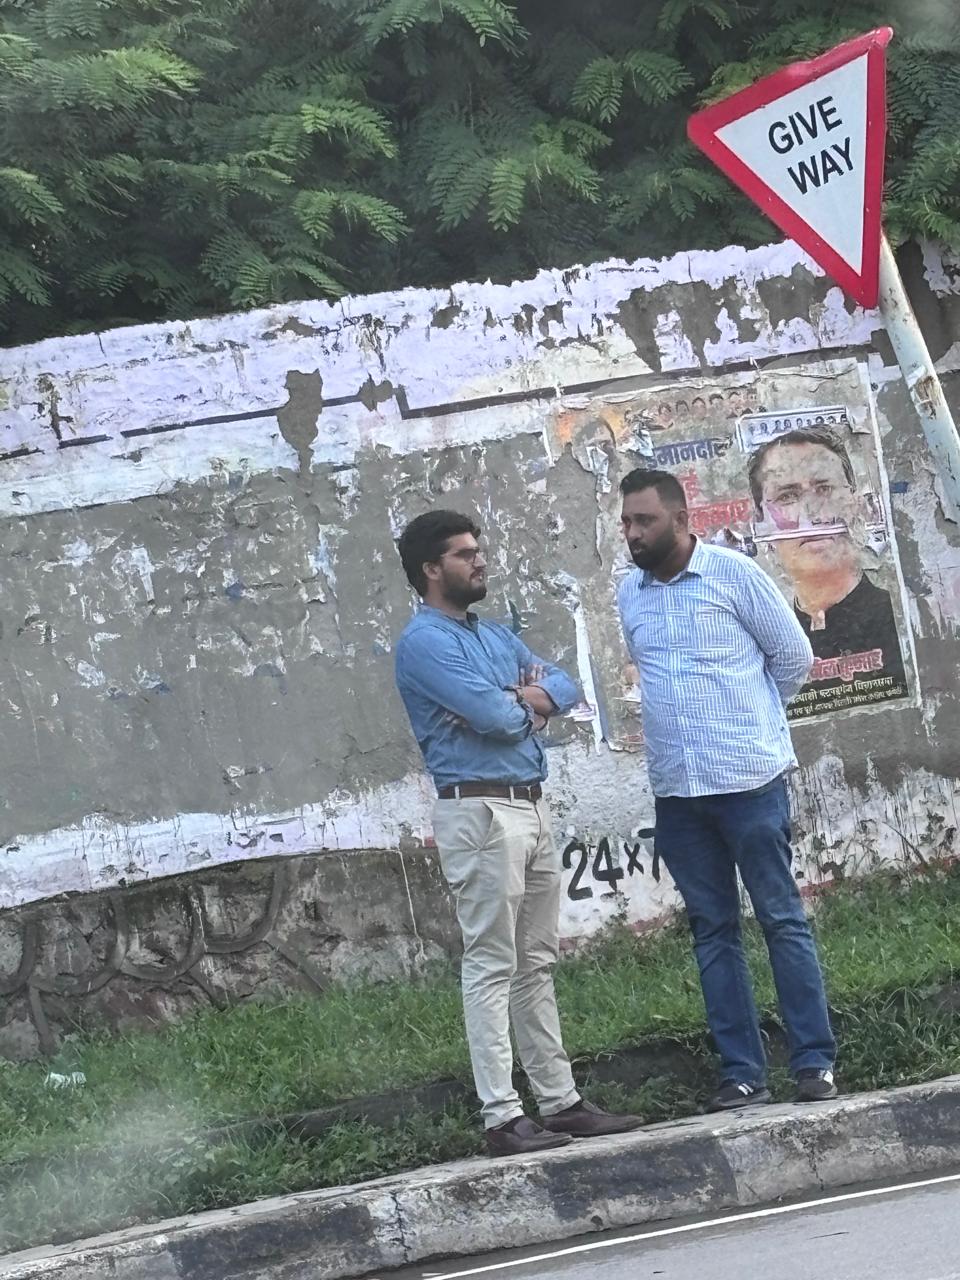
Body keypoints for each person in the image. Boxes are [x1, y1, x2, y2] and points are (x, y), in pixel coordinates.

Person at [394, 509, 642, 1155]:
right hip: (478, 812)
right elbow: (497, 720)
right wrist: (522, 703)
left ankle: (560, 1103)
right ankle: (502, 1117)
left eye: (478, 549)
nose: (480, 560)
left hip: (529, 806)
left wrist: (521, 698)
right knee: (491, 962)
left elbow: (565, 684)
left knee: (536, 961)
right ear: (431, 569)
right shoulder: (425, 643)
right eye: (464, 554)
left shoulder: (495, 636)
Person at [616, 469, 837, 1110]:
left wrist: (752, 723)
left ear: (682, 520)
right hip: (678, 794)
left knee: (780, 918)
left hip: (748, 782)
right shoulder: (630, 593)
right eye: (627, 522)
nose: (633, 533)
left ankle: (814, 1063)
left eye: (645, 520)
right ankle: (742, 1073)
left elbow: (793, 658)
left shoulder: (733, 575)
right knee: (712, 930)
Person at [747, 427, 906, 691]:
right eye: (787, 496)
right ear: (760, 524)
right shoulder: (761, 648)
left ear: (857, 505)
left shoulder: (901, 620)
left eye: (824, 489)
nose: (812, 513)